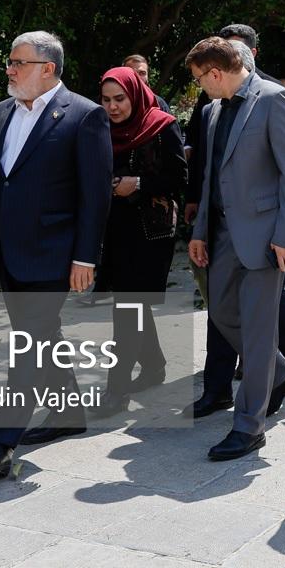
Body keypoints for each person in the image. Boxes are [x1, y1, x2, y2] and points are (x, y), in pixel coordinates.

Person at [0, 30, 113, 475]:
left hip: (55, 253)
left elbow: (95, 196)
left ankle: (0, 441)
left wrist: (85, 258)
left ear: (47, 68)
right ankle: (68, 412)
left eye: (18, 63)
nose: (9, 70)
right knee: (42, 336)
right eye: (10, 62)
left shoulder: (84, 115)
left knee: (28, 343)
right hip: (9, 251)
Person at [185, 36, 285, 461]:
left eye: (200, 79)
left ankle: (249, 427)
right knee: (221, 312)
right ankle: (281, 370)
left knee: (257, 333)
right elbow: (210, 176)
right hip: (221, 235)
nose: (200, 87)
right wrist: (200, 230)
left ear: (216, 73)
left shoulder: (276, 100)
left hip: (265, 237)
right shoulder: (213, 110)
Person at [92, 66, 188, 417]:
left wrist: (139, 183)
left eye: (120, 99)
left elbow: (179, 178)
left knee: (127, 307)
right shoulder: (100, 127)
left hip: (150, 231)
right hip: (114, 228)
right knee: (131, 302)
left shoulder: (161, 125)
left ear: (135, 94)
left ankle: (116, 391)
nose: (113, 107)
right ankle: (154, 365)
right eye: (106, 100)